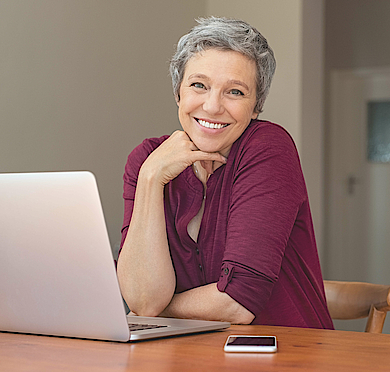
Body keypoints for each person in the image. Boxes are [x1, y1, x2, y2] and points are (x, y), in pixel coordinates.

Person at [117, 17, 333, 329]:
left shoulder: (268, 148)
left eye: (235, 92)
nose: (213, 106)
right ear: (178, 93)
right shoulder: (147, 160)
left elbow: (237, 304)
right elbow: (143, 299)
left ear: (256, 107)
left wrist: (157, 314)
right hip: (189, 357)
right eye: (198, 85)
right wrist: (151, 179)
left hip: (289, 353)